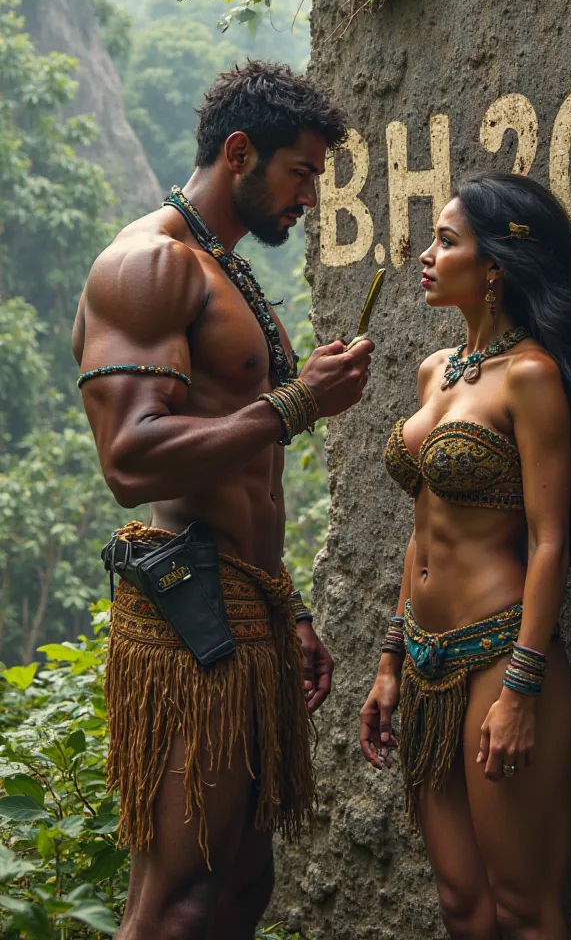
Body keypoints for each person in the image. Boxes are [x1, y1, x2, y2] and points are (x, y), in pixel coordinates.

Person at [73, 61, 374, 940]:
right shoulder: (149, 266)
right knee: (181, 899)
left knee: (242, 885)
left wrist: (293, 609)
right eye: (301, 173)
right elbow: (131, 459)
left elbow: (247, 473)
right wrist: (298, 403)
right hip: (190, 621)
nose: (311, 198)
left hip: (250, 608)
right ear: (239, 152)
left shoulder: (225, 270)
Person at [360, 171, 571, 940]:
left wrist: (522, 687)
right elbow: (424, 527)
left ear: (496, 268)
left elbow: (550, 540)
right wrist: (388, 660)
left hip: (501, 660)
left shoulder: (533, 377)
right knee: (464, 910)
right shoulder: (434, 372)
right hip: (424, 664)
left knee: (526, 912)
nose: (426, 255)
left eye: (447, 242)